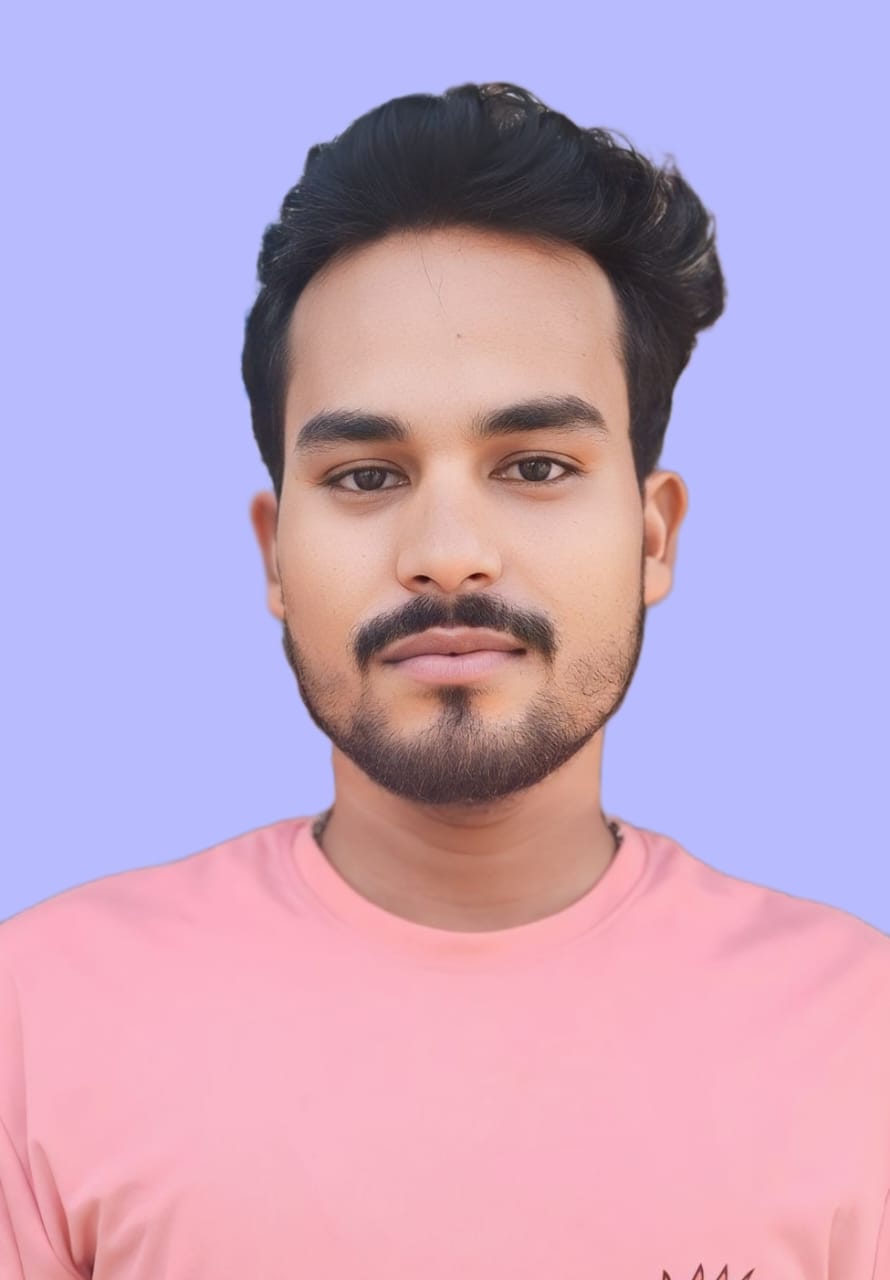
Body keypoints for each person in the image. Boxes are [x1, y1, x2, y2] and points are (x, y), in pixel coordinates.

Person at [1, 82, 887, 1280]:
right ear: (274, 554)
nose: (447, 552)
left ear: (651, 536)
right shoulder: (38, 1018)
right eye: (366, 476)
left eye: (533, 465)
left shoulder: (857, 1036)